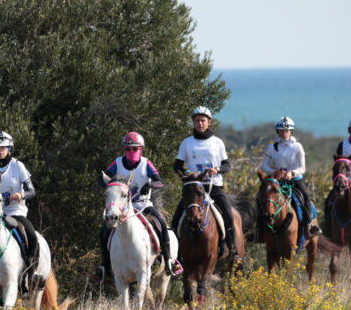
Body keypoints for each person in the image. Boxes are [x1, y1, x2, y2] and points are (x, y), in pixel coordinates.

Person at [93, 132, 184, 283]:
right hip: (122, 208)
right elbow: (102, 178)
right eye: (128, 149)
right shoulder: (117, 163)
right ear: (124, 150)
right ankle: (104, 266)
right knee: (104, 231)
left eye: (135, 149)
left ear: (141, 149)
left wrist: (150, 184)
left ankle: (169, 261)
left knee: (160, 223)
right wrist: (110, 185)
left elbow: (160, 182)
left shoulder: (146, 164)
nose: (131, 152)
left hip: (143, 206)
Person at [170, 106, 241, 260]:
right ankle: (174, 257)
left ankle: (234, 251)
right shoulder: (186, 143)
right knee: (176, 219)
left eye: (203, 121)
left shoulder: (217, 142)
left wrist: (217, 169)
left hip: (214, 186)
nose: (200, 124)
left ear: (209, 122)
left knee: (228, 216)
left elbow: (227, 165)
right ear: (193, 123)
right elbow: (177, 166)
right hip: (193, 188)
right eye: (197, 121)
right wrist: (186, 173)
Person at [0, 131, 38, 263]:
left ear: (9, 149)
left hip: (15, 212)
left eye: (3, 147)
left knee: (31, 236)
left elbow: (32, 191)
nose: (0, 151)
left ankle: (30, 268)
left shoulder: (18, 166)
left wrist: (21, 195)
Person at [258, 116, 321, 238]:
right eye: (281, 130)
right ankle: (259, 230)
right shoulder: (272, 147)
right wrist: (275, 172)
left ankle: (309, 226)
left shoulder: (298, 147)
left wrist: (292, 173)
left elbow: (302, 168)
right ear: (278, 132)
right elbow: (264, 165)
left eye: (286, 130)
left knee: (305, 198)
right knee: (260, 198)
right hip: (276, 181)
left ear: (291, 131)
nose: (284, 133)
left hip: (294, 180)